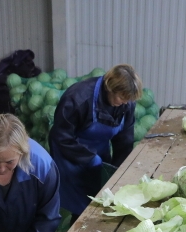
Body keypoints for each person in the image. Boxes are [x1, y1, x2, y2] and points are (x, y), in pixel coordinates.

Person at [49, 64, 142, 218]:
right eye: (122, 97)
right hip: (71, 153)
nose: (125, 102)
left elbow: (124, 140)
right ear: (109, 88)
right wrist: (88, 158)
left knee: (99, 199)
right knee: (81, 207)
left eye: (128, 99)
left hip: (99, 151)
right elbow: (60, 136)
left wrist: (118, 171)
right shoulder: (78, 98)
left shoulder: (127, 103)